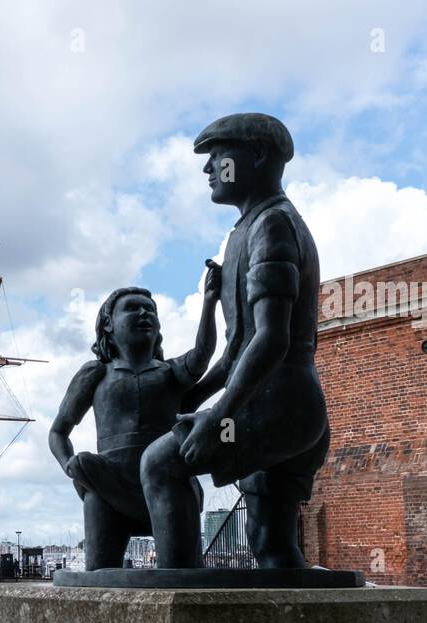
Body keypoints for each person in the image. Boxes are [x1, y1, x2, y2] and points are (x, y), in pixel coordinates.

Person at [140, 113, 329, 569]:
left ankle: (181, 591)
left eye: (219, 157)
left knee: (160, 464)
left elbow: (271, 340)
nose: (209, 169)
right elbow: (236, 350)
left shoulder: (273, 226)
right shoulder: (247, 230)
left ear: (258, 156)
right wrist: (192, 395)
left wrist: (216, 417)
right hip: (290, 407)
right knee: (272, 547)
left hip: (279, 405)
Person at [50, 276, 218, 570]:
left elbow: (202, 356)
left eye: (150, 310)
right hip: (108, 484)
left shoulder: (170, 373)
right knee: (100, 575)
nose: (144, 314)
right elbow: (58, 431)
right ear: (108, 325)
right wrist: (68, 464)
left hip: (167, 483)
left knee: (181, 575)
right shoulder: (96, 374)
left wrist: (209, 302)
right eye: (133, 308)